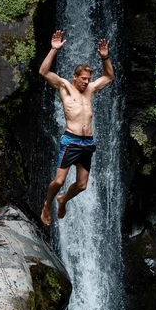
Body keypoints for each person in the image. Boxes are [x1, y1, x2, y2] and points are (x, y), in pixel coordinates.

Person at [38, 29, 114, 226]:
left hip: (88, 142)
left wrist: (105, 58)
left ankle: (63, 200)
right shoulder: (64, 87)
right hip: (71, 140)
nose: (86, 82)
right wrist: (53, 49)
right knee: (60, 181)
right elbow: (43, 72)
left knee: (81, 185)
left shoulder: (91, 89)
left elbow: (109, 77)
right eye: (83, 79)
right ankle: (48, 204)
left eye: (88, 79)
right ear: (75, 77)